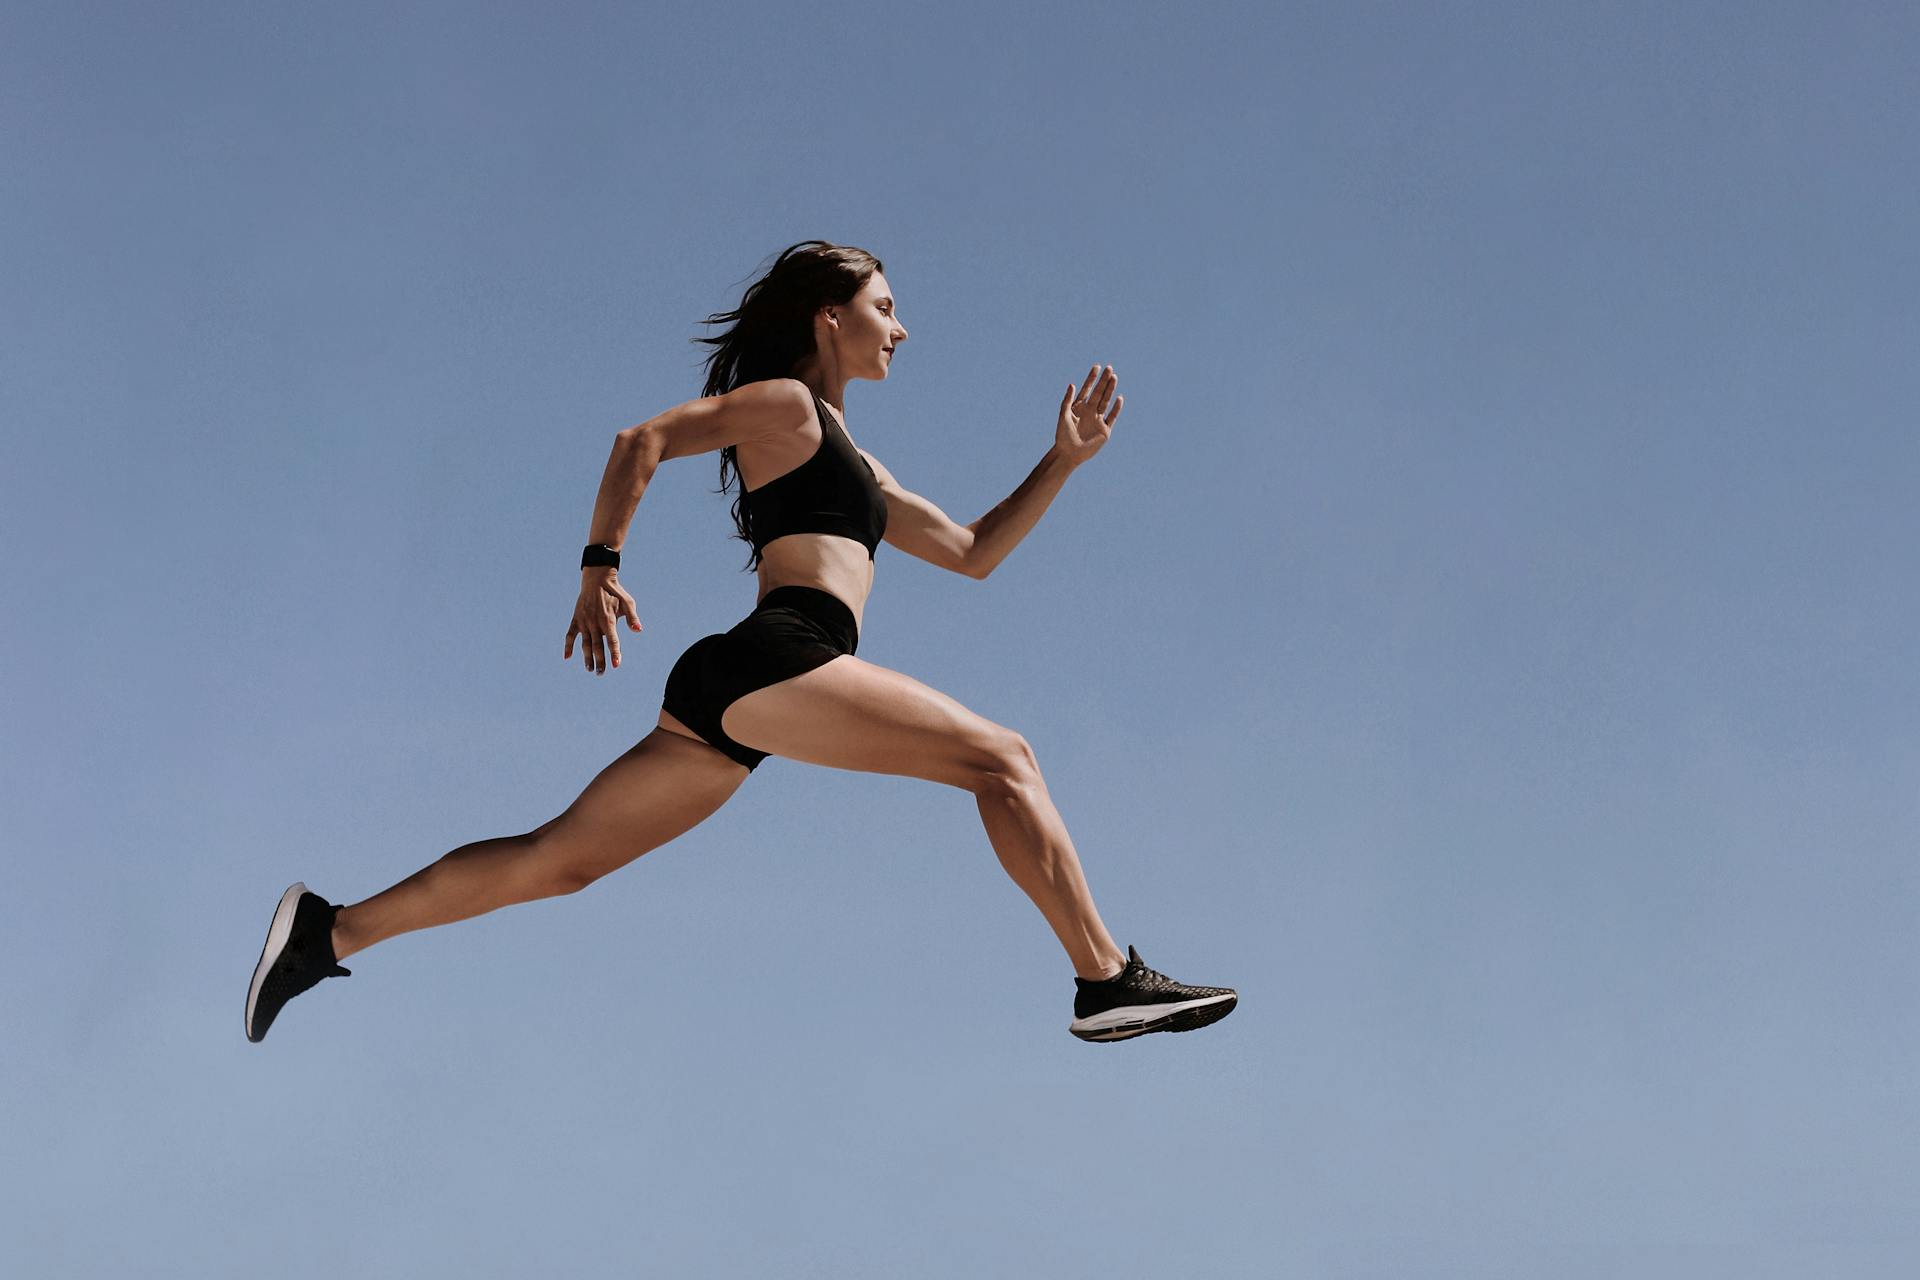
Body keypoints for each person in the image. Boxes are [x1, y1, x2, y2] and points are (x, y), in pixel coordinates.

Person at [246, 240, 1237, 1045]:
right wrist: (600, 563)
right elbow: (641, 439)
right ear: (829, 317)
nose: (901, 326)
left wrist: (1060, 461)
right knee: (1004, 758)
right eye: (884, 306)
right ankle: (1104, 978)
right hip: (784, 655)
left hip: (747, 688)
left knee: (558, 861)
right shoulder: (785, 403)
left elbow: (974, 552)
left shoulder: (859, 461)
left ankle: (328, 930)